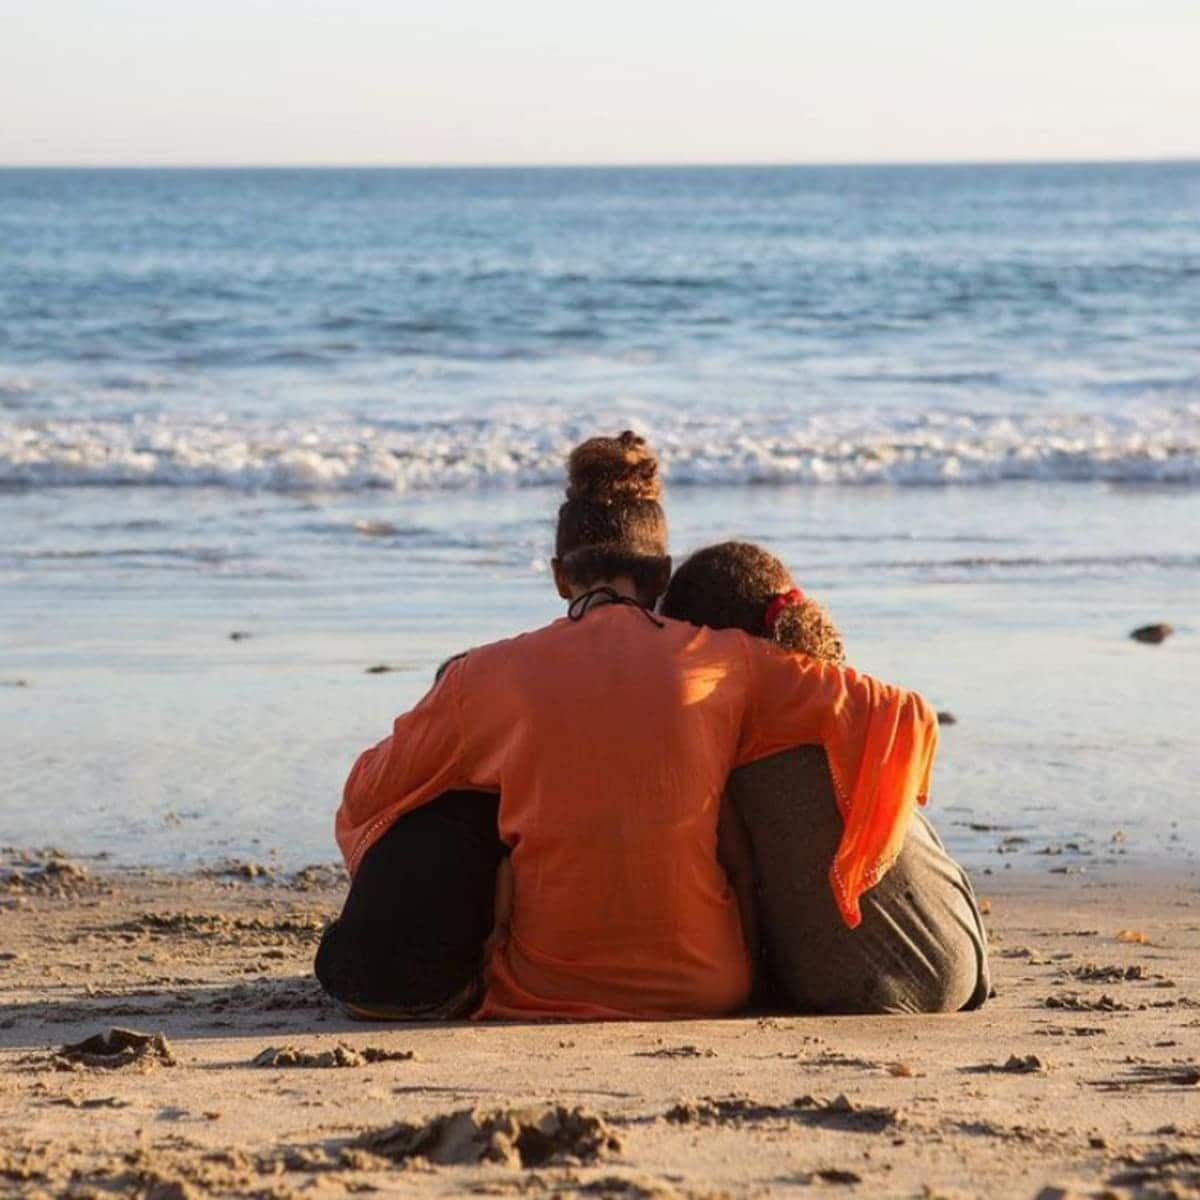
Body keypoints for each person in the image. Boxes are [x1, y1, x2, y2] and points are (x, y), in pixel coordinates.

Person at [319, 431, 940, 1021]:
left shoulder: (489, 674)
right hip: (709, 986)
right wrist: (861, 848)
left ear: (561, 574)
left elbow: (369, 792)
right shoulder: (727, 661)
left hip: (542, 987)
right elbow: (899, 713)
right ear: (664, 575)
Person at [661, 541, 990, 1013]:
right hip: (963, 956)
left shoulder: (733, 728)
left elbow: (736, 880)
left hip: (861, 987)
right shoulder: (848, 700)